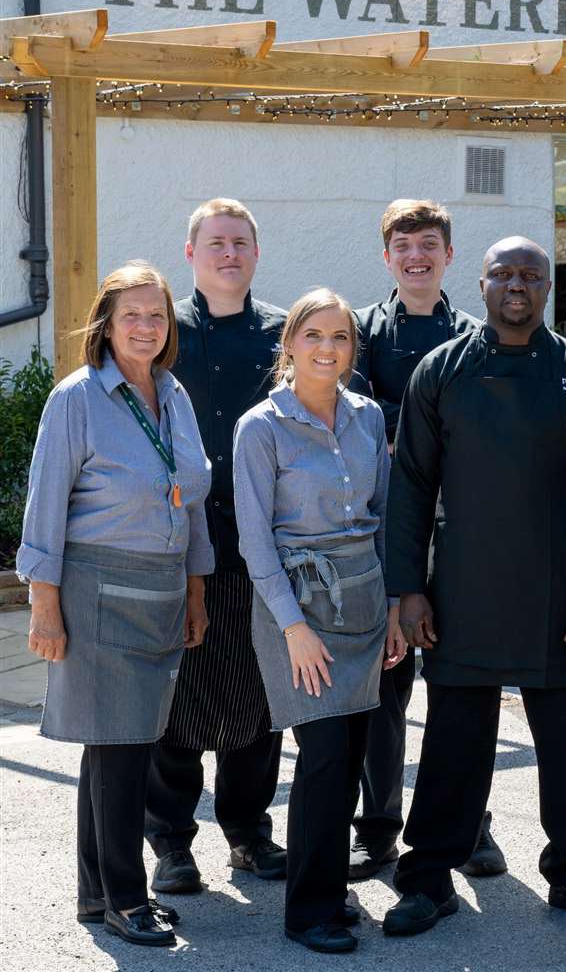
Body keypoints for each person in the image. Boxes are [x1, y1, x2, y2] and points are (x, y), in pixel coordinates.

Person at [381, 238, 566, 935]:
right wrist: (409, 587)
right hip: (460, 586)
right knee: (453, 741)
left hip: (558, 591)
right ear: (482, 284)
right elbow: (410, 488)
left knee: (564, 741)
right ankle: (428, 876)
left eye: (530, 275)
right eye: (504, 274)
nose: (516, 285)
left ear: (548, 288)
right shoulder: (442, 371)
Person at [20, 261, 213, 947]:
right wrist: (44, 606)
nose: (145, 327)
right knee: (122, 748)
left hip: (161, 591)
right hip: (96, 591)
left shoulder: (174, 394)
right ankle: (128, 900)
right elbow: (44, 506)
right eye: (131, 315)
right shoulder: (76, 399)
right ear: (106, 323)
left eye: (156, 316)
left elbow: (190, 500)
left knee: (113, 749)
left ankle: (94, 893)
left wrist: (196, 589)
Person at [234, 289, 405, 954]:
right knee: (325, 758)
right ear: (290, 344)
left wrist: (392, 608)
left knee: (352, 756)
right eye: (314, 336)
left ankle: (332, 892)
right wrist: (293, 629)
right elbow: (255, 542)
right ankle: (308, 912)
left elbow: (387, 518)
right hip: (297, 609)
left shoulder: (367, 418)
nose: (327, 348)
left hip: (364, 601)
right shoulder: (261, 428)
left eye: (340, 337)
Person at [144, 199, 289, 897]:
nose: (229, 253)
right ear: (191, 252)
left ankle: (248, 833)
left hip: (263, 550)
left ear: (255, 254)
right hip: (177, 547)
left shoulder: (285, 334)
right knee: (176, 701)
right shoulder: (160, 335)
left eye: (240, 243)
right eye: (216, 243)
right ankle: (171, 844)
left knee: (260, 703)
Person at [349, 199, 490, 882]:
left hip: (463, 535)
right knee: (385, 686)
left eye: (428, 243)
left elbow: (485, 426)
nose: (416, 256)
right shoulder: (361, 333)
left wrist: (405, 425)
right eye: (403, 245)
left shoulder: (476, 333)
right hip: (385, 532)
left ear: (448, 255)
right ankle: (376, 828)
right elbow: (352, 419)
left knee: (461, 687)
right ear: (386, 257)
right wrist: (434, 428)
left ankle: (473, 825)